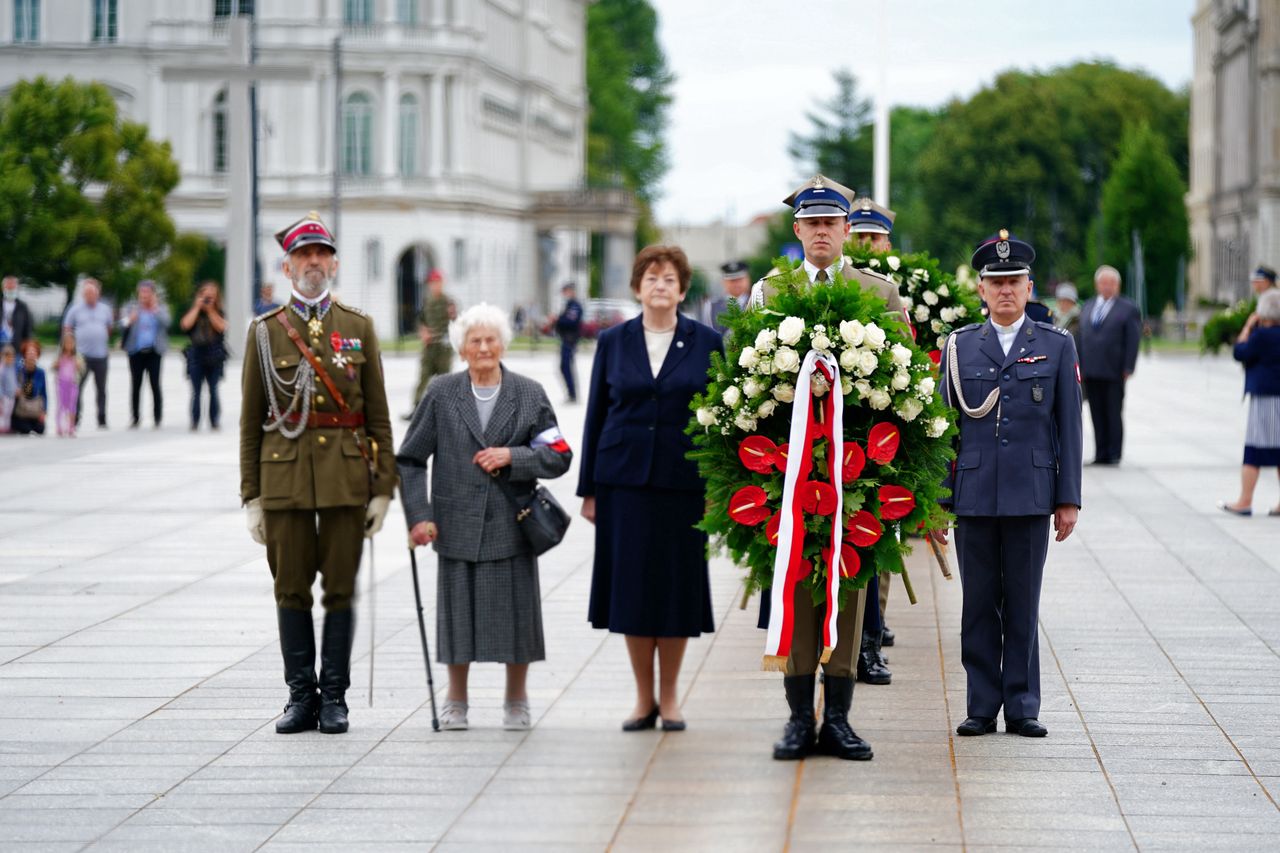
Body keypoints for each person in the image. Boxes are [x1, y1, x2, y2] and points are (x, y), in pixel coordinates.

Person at [751, 176, 904, 762]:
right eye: (810, 223)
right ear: (797, 231)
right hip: (785, 472)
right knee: (795, 587)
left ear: (846, 230)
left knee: (849, 588)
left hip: (853, 470)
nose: (820, 231)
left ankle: (837, 718)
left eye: (830, 223)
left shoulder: (878, 294)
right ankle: (797, 719)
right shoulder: (772, 292)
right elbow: (746, 380)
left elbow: (899, 380)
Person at [240, 212, 396, 736]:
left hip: (345, 479)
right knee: (290, 590)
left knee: (341, 592)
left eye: (321, 254)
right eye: (303, 255)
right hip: (283, 480)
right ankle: (300, 697)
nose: (313, 263)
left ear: (333, 263)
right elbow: (249, 423)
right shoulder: (263, 334)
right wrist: (251, 497)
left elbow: (378, 415)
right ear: (287, 267)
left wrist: (383, 491)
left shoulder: (358, 327)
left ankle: (335, 699)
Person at [934, 229, 1083, 739]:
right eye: (995, 282)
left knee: (1022, 600)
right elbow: (942, 431)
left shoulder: (1056, 346)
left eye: (1014, 281)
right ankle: (981, 704)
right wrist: (937, 501)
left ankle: (1021, 705)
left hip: (1029, 495)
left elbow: (1069, 427)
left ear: (1029, 287)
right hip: (974, 495)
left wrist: (1067, 499)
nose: (1005, 290)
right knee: (977, 602)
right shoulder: (958, 348)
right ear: (980, 289)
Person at [397, 305, 572, 731]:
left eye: (491, 339)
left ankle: (517, 699)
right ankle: (456, 700)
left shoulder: (529, 393)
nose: (483, 347)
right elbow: (410, 458)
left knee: (518, 617)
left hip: (513, 522)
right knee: (457, 617)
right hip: (454, 521)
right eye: (474, 340)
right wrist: (419, 516)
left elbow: (559, 455)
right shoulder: (441, 392)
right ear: (461, 348)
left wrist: (514, 456)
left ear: (503, 344)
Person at [579, 245, 722, 733]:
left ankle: (670, 696)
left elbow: (718, 420)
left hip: (684, 484)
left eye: (669, 279)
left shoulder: (707, 342)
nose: (660, 285)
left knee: (676, 590)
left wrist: (716, 486)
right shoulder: (613, 342)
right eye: (651, 277)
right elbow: (596, 413)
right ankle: (643, 699)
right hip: (623, 483)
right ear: (637, 287)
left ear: (683, 290)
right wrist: (589, 491)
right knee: (634, 591)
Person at [848, 195, 899, 684]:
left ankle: (869, 636)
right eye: (858, 234)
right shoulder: (782, 288)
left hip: (872, 438)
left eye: (872, 236)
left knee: (871, 536)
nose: (866, 244)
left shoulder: (890, 289)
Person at [1219, 289, 1280, 516]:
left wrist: (1247, 327)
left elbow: (1240, 352)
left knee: (1254, 450)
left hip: (1265, 399)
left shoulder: (1262, 336)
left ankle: (1245, 500)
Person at [1078, 265, 1141, 465]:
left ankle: (1114, 453)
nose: (1107, 287)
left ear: (1118, 286)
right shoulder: (1087, 306)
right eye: (1104, 283)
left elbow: (1133, 339)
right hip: (1090, 369)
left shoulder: (1128, 308)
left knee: (1113, 412)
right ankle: (1100, 452)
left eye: (1112, 283)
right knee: (1096, 412)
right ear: (1097, 285)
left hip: (1114, 370)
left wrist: (1128, 367)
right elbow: (1081, 337)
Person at [62, 278, 114, 430]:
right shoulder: (75, 309)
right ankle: (75, 417)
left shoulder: (105, 309)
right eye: (87, 293)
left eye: (93, 293)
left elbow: (109, 328)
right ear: (84, 294)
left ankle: (102, 418)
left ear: (98, 294)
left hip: (100, 354)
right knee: (77, 388)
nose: (90, 296)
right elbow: (67, 329)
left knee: (101, 389)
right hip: (81, 355)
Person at [120, 280, 169, 429]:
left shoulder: (160, 308)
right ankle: (135, 417)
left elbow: (167, 323)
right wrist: (131, 319)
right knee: (136, 384)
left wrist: (155, 309)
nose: (145, 295)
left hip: (154, 352)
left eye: (148, 292)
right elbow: (122, 324)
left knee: (155, 384)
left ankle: (157, 416)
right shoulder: (131, 307)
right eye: (142, 292)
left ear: (153, 293)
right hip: (136, 352)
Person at [180, 281, 229, 431]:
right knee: (196, 391)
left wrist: (210, 310)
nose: (208, 299)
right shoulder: (194, 311)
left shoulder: (218, 312)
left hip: (214, 356)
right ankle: (194, 421)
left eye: (211, 297)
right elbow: (185, 325)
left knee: (213, 390)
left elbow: (222, 327)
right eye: (205, 296)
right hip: (196, 356)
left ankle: (214, 420)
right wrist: (197, 306)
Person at [410, 269, 456, 414]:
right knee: (423, 376)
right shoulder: (427, 301)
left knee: (444, 380)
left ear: (442, 283)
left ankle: (445, 410)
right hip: (429, 346)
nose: (435, 285)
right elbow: (421, 321)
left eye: (437, 282)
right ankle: (416, 408)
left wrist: (452, 316)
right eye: (432, 283)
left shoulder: (448, 301)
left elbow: (456, 322)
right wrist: (423, 332)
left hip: (443, 347)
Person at [704, 260, 751, 337]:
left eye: (740, 280)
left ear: (747, 279)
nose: (737, 284)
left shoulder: (756, 300)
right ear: (724, 282)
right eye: (732, 281)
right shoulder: (712, 306)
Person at [555, 282, 584, 402]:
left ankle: (572, 394)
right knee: (564, 366)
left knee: (566, 366)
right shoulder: (569, 305)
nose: (564, 294)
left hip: (570, 339)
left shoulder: (575, 306)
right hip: (565, 339)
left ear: (571, 291)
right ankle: (571, 393)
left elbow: (570, 322)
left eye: (565, 291)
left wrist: (558, 320)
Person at [11, 339, 47, 436]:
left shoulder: (40, 372)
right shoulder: (19, 370)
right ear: (24, 354)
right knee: (25, 429)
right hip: (21, 408)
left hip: (34, 407)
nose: (31, 355)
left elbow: (44, 393)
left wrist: (44, 411)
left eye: (34, 352)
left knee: (40, 429)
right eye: (29, 352)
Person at [53, 331, 84, 437]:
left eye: (71, 343)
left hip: (72, 384)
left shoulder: (77, 356)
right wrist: (56, 364)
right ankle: (59, 426)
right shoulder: (59, 356)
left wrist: (78, 365)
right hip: (61, 383)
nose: (69, 345)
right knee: (61, 405)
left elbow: (82, 368)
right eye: (67, 343)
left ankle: (71, 427)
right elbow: (53, 366)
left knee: (72, 406)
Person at [1, 276, 34, 351]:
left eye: (12, 288)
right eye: (8, 288)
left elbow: (28, 327)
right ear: (3, 288)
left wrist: (26, 342)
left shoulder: (23, 307)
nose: (10, 290)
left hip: (17, 346)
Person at [0, 344, 17, 433]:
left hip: (12, 394)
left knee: (9, 413)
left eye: (11, 357)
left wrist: (16, 388)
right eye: (7, 357)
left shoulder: (12, 368)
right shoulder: (2, 369)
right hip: (4, 396)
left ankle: (7, 427)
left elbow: (14, 380)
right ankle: (2, 427)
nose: (10, 359)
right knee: (3, 413)